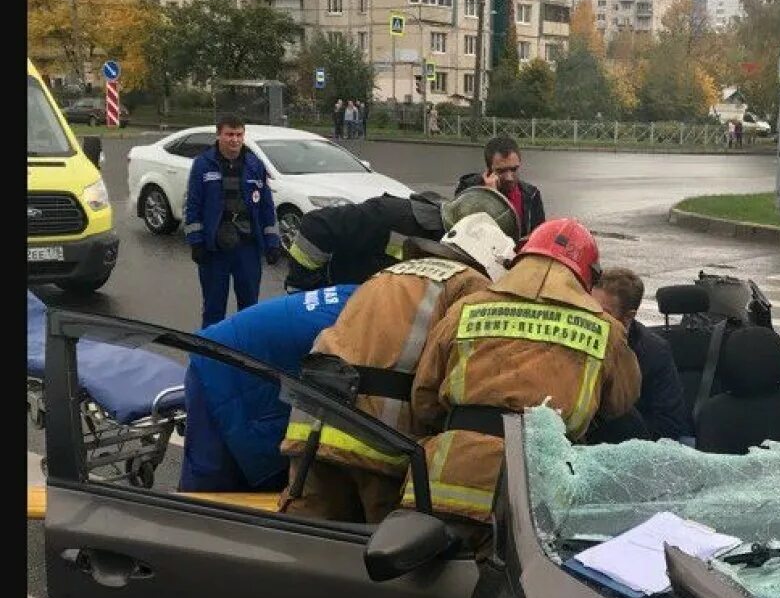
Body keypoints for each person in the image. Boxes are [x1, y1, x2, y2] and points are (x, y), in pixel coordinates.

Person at [278, 212, 518, 524]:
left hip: (313, 422)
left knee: (306, 541)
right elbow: (451, 380)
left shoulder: (388, 273)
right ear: (494, 260)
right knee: (385, 552)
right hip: (379, 437)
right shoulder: (471, 285)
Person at [409, 218, 641, 522]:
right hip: (535, 496)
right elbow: (622, 400)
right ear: (587, 275)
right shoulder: (605, 330)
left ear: (521, 258)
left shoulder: (466, 309)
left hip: (445, 484)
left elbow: (424, 398)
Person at [179, 284, 359, 493]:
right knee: (206, 502)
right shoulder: (361, 328)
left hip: (229, 353)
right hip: (219, 371)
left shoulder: (365, 295)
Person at [185, 114, 282, 328]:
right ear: (219, 134)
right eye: (229, 134)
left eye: (239, 135)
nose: (235, 140)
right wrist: (196, 242)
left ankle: (245, 355)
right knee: (213, 309)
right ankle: (209, 354)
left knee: (249, 310)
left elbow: (267, 207)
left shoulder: (255, 165)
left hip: (247, 248)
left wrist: (273, 243)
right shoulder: (203, 164)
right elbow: (193, 206)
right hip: (214, 249)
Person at [592, 267, 691, 442]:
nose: (592, 318)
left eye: (604, 314)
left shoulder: (654, 352)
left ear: (628, 317)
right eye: (589, 308)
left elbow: (669, 425)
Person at [284, 190, 450, 291]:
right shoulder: (389, 216)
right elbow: (316, 225)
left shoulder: (449, 246)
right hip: (340, 295)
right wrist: (302, 288)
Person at [455, 135, 546, 236]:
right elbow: (466, 234)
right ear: (489, 169)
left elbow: (538, 237)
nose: (509, 178)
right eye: (501, 171)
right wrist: (489, 197)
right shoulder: (469, 190)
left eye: (514, 169)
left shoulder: (532, 195)